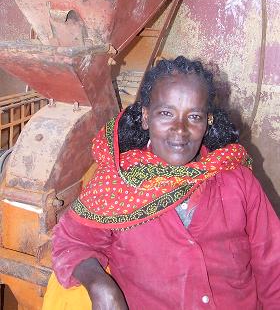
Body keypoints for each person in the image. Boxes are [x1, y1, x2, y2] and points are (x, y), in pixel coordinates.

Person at [43, 56, 280, 310]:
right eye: (166, 113)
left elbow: (272, 262)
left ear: (207, 121)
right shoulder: (118, 184)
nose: (180, 129)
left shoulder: (237, 180)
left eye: (194, 116)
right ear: (146, 117)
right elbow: (72, 242)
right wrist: (98, 283)